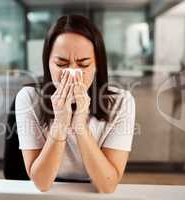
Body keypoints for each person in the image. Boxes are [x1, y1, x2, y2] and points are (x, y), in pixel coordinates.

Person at [15, 14, 135, 193]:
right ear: (48, 63)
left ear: (96, 66)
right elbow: (41, 183)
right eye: (61, 63)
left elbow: (107, 185)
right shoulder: (28, 98)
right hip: (52, 188)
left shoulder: (121, 102)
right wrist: (61, 122)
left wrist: (80, 124)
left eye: (83, 64)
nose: (71, 73)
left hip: (93, 188)